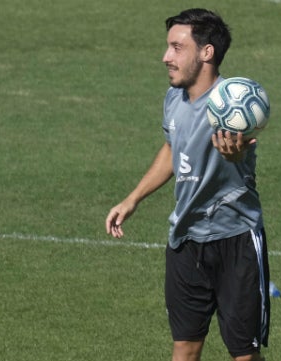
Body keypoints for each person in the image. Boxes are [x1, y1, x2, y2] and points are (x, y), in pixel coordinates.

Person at [105, 8, 270, 361]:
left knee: (243, 353)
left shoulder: (233, 106)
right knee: (184, 347)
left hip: (234, 239)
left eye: (177, 48)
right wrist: (133, 199)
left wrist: (234, 155)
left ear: (206, 52)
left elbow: (240, 156)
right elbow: (171, 147)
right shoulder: (173, 99)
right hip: (184, 239)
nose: (166, 57)